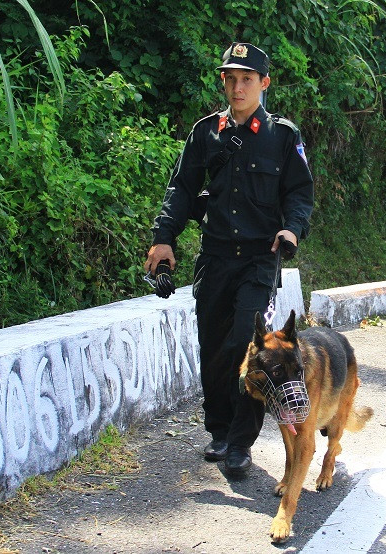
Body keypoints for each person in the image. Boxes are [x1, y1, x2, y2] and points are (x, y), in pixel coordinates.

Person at [144, 42, 314, 475]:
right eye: (231, 79)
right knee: (214, 348)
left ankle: (241, 442)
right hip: (215, 256)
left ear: (263, 83)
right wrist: (164, 239)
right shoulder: (206, 133)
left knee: (246, 345)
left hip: (259, 259)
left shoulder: (282, 136)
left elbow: (299, 192)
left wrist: (292, 228)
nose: (238, 87)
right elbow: (182, 189)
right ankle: (219, 431)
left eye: (247, 79)